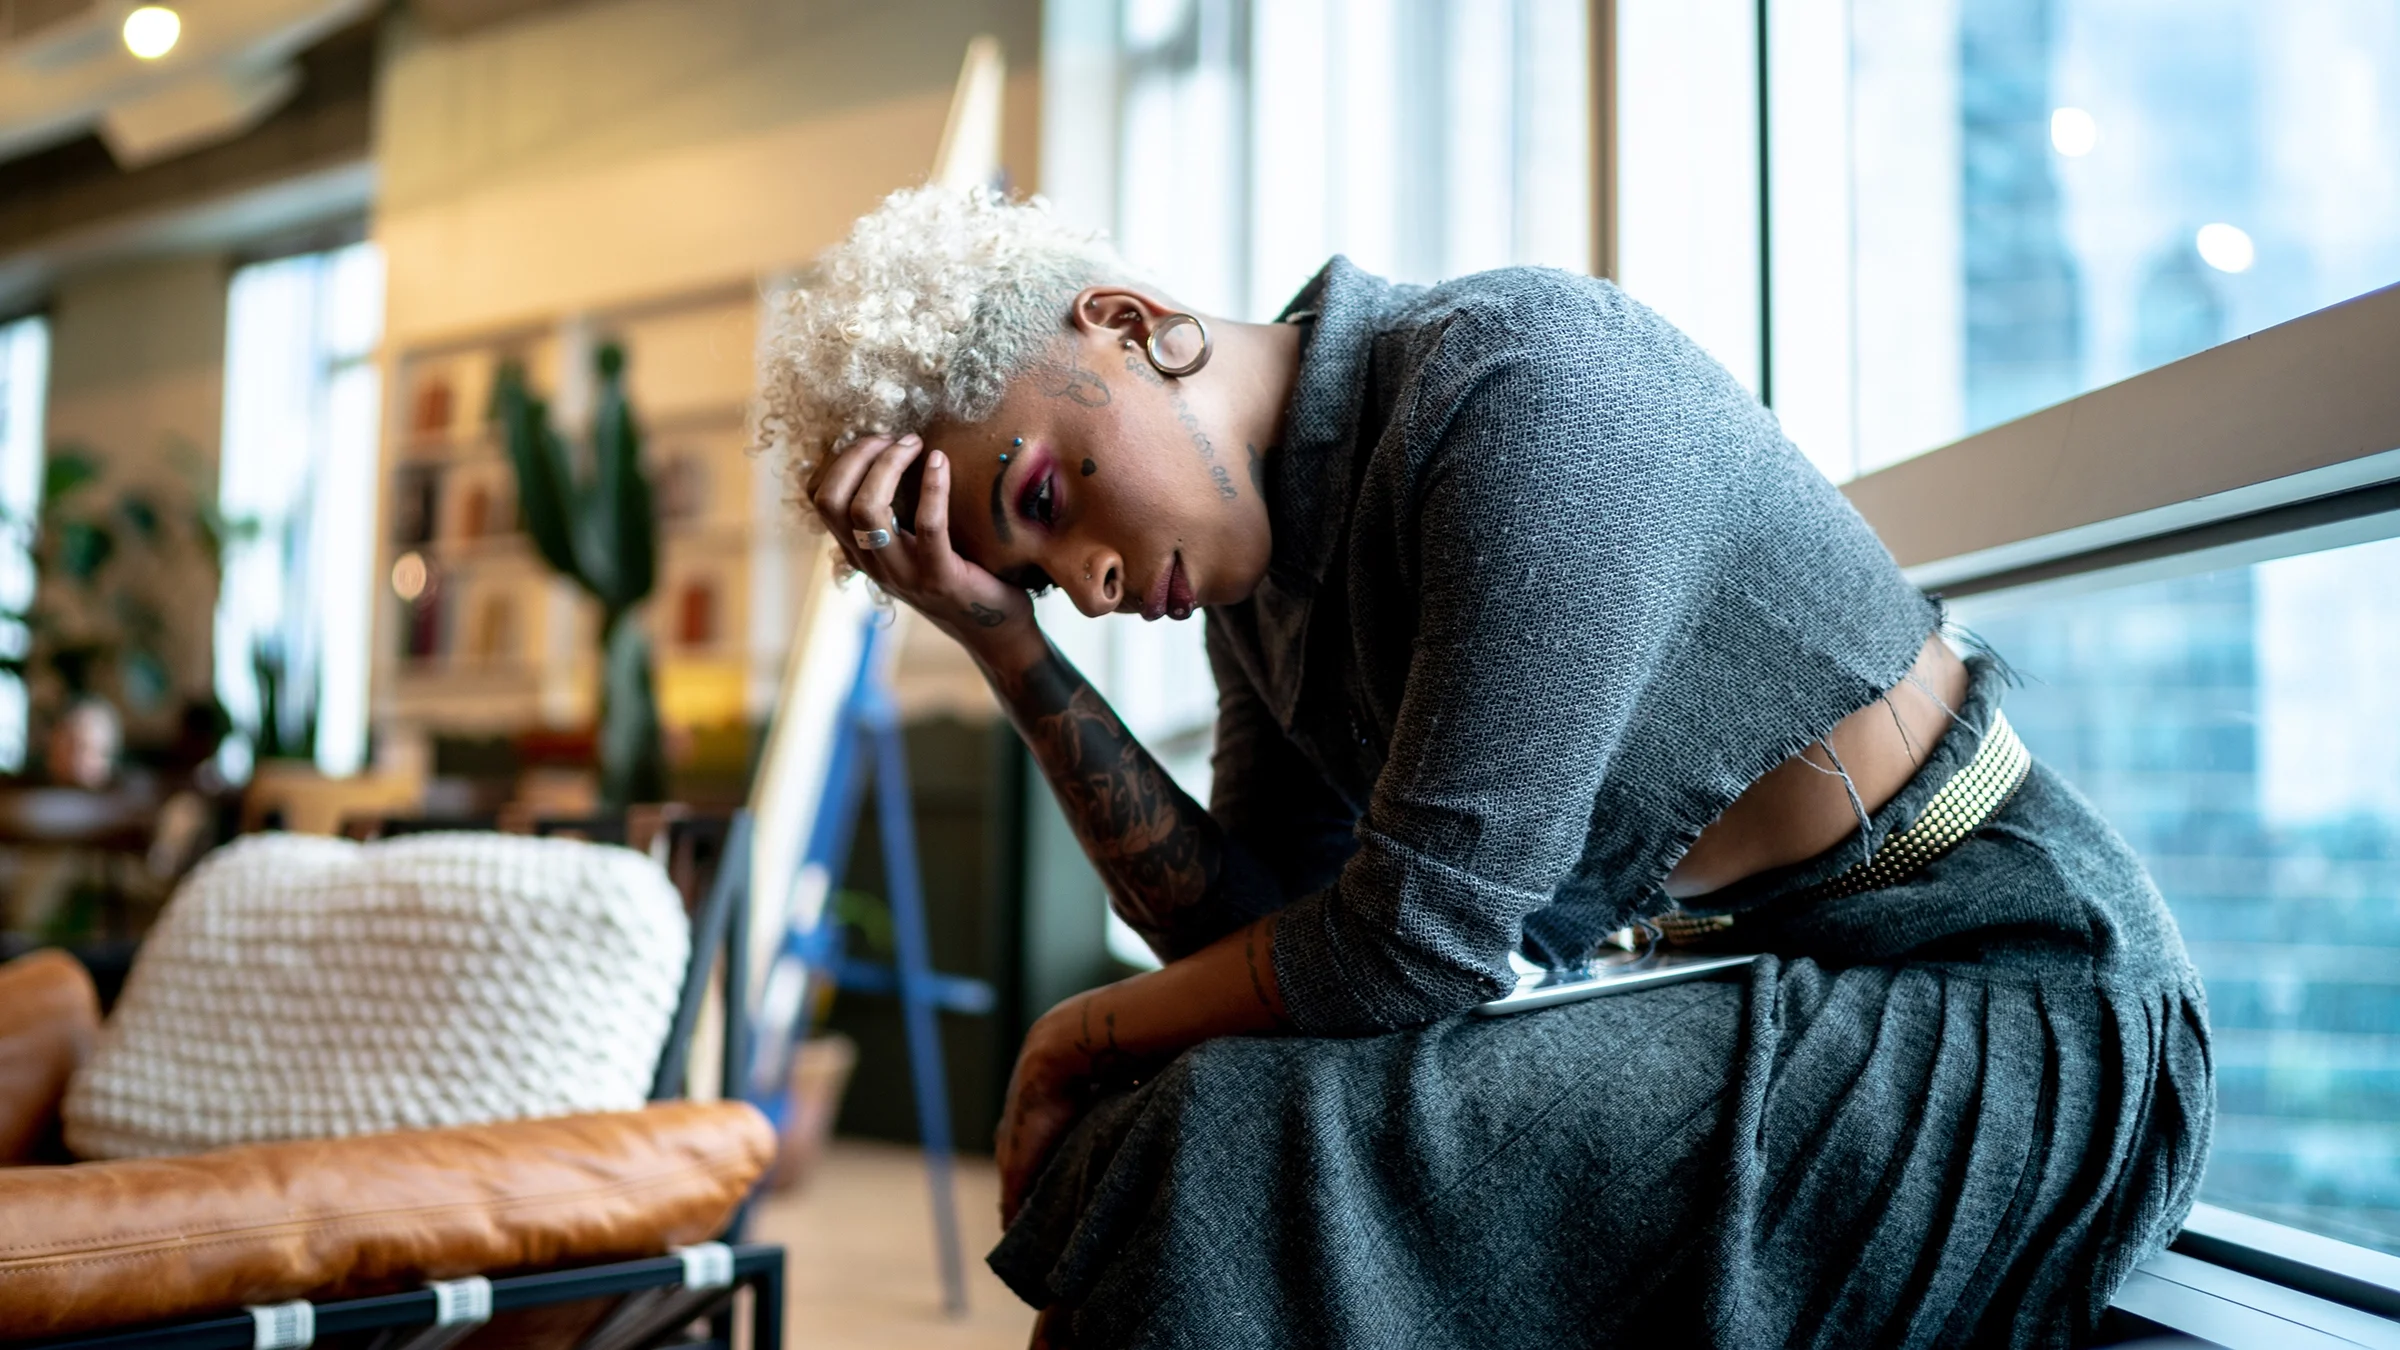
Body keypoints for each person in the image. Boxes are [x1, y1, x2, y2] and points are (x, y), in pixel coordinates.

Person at [760, 186, 2211, 1349]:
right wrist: (1005, 646)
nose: (1095, 573)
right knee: (1200, 1121)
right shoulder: (1264, 585)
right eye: (1045, 577)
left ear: (1130, 324)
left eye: (1046, 494)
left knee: (1209, 1144)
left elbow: (1414, 946)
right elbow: (1256, 943)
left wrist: (1086, 1028)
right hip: (1778, 980)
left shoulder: (1521, 385)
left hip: (2014, 997)